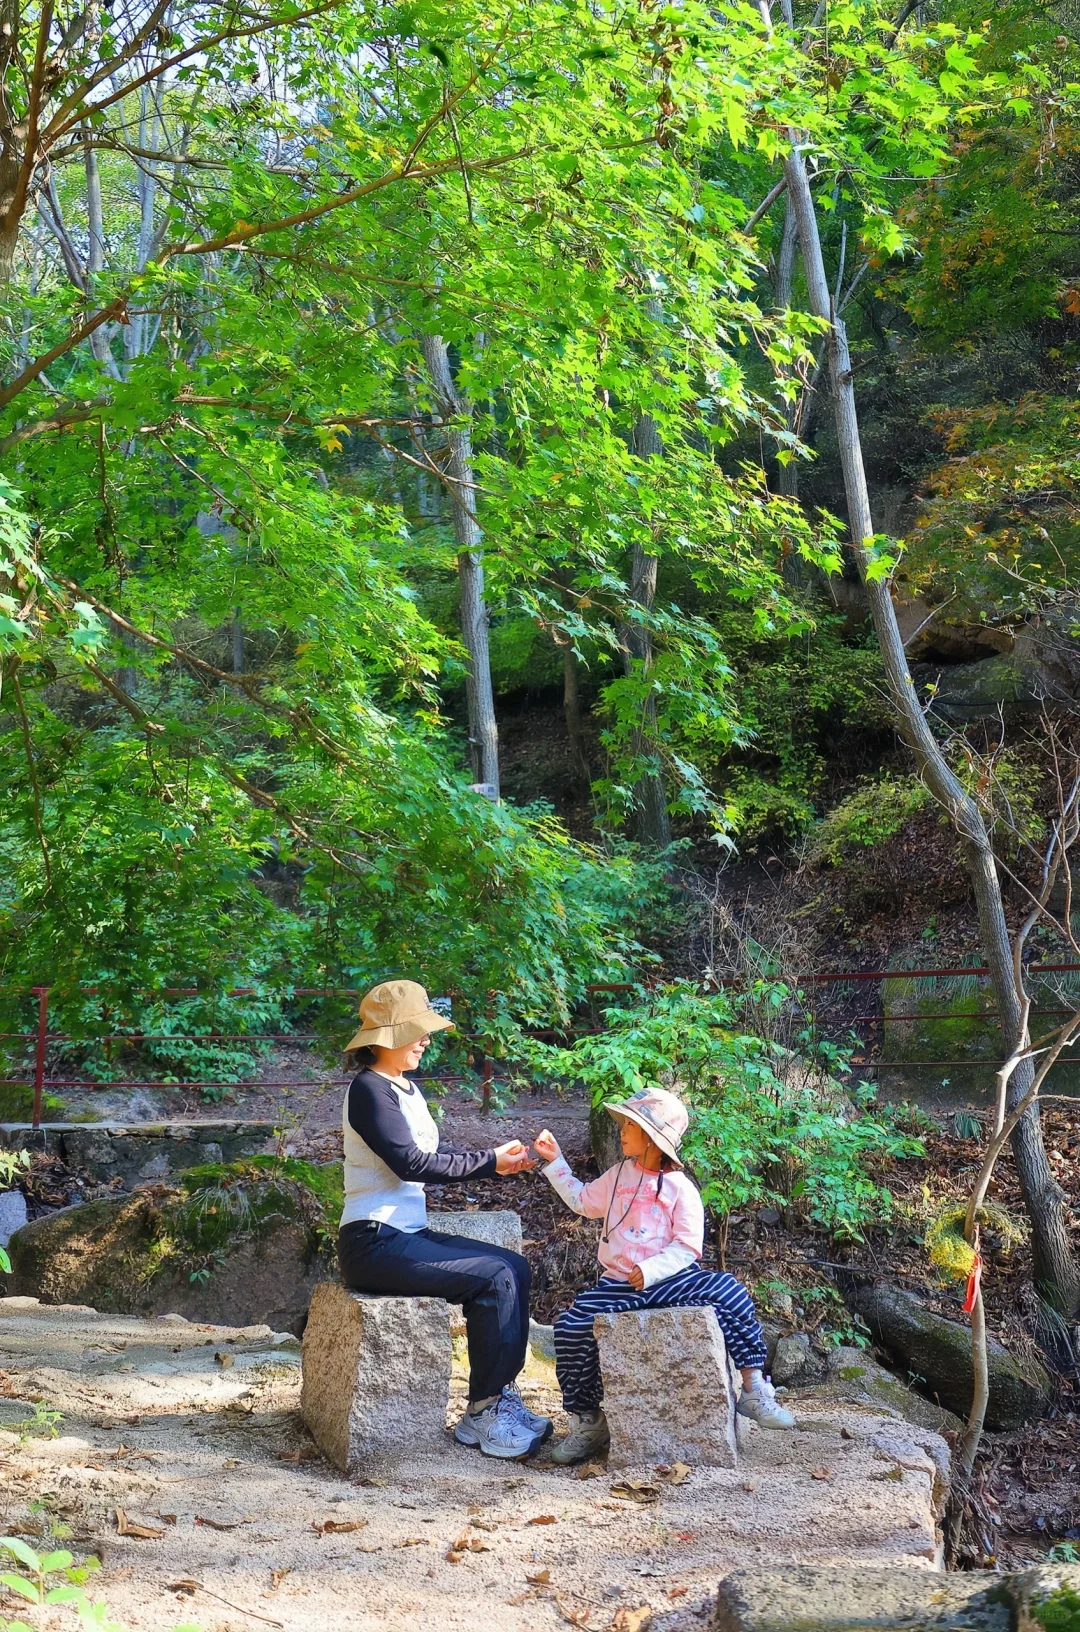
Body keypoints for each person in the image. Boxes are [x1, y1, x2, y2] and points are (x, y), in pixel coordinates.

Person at [336, 979, 551, 1460]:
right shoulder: (369, 1089)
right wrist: (489, 1161)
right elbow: (410, 1163)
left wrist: (500, 1163)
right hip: (372, 1241)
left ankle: (493, 1402)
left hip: (402, 1234)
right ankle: (487, 1410)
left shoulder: (403, 1088)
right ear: (388, 1035)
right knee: (494, 1277)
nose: (426, 1039)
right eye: (418, 1031)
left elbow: (430, 1157)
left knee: (513, 1266)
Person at [533, 1085, 795, 1464]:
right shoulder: (617, 1174)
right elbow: (582, 1201)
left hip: (672, 1282)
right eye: (623, 1123)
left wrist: (651, 1269)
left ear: (654, 1137)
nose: (621, 1130)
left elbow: (688, 1245)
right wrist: (555, 1161)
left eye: (630, 1124)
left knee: (729, 1290)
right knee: (571, 1327)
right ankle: (588, 1419)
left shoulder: (680, 1188)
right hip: (618, 1286)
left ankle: (753, 1387)